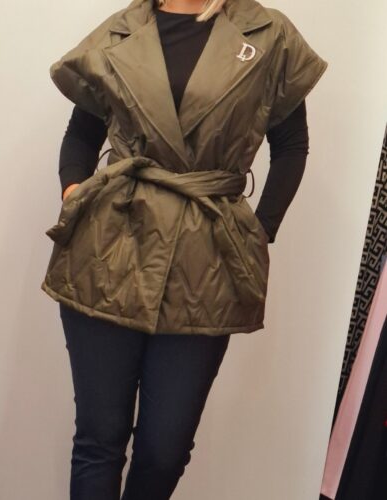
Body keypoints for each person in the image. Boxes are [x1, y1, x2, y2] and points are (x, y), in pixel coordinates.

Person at [42, 0, 328, 498]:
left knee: (165, 448)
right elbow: (81, 135)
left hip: (207, 260)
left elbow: (291, 147)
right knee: (99, 440)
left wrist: (259, 232)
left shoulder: (267, 33)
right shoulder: (123, 30)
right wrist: (76, 197)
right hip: (109, 249)